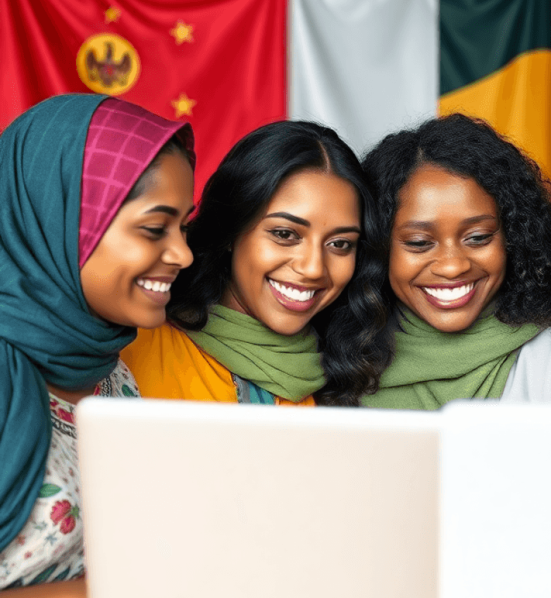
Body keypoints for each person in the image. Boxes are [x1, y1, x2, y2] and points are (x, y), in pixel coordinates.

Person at [0, 94, 195, 594]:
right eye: (155, 229)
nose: (183, 253)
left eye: (183, 226)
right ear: (60, 220)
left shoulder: (109, 371)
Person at [359, 114, 551, 409]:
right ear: (378, 247)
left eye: (478, 237)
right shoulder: (345, 356)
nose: (452, 266)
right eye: (420, 243)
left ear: (513, 237)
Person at [121, 121, 389, 407]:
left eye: (339, 244)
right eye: (285, 234)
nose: (313, 269)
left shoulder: (354, 375)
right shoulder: (132, 346)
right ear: (230, 231)